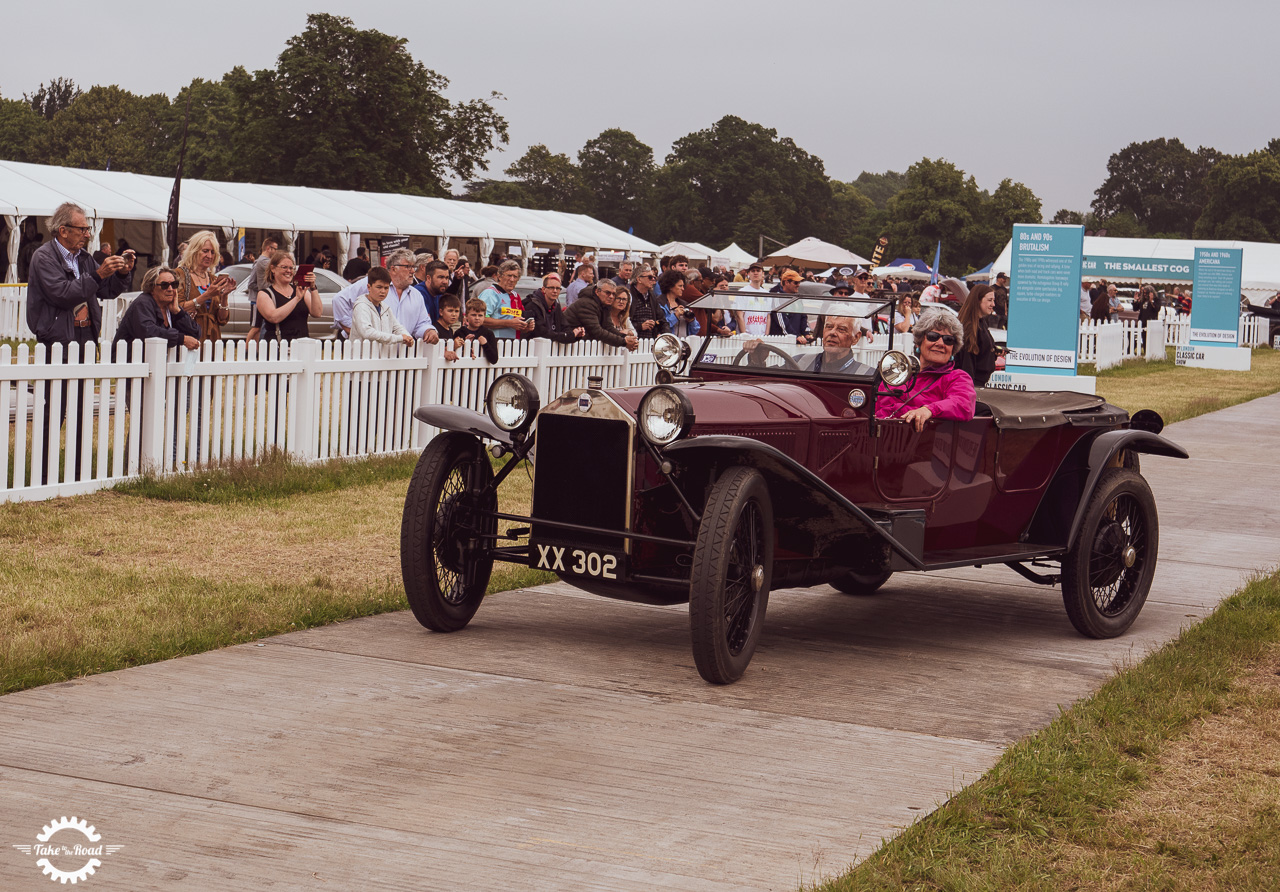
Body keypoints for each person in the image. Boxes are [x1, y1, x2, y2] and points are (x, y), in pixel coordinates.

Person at [25, 202, 128, 482]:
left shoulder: (83, 257)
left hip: (84, 336)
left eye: (87, 228)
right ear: (63, 230)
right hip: (57, 340)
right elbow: (61, 294)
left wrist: (121, 272)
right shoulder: (43, 257)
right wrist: (98, 274)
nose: (88, 234)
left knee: (83, 409)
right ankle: (43, 475)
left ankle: (78, 472)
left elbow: (105, 291)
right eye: (83, 229)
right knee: (53, 409)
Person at [876, 310, 976, 431]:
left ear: (953, 348)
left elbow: (963, 404)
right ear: (919, 342)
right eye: (932, 337)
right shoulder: (898, 372)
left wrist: (928, 410)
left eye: (948, 340)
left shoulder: (957, 377)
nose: (940, 343)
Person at [112, 265, 200, 361]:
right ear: (151, 287)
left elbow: (195, 333)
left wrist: (178, 312)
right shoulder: (142, 303)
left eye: (174, 284)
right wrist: (181, 339)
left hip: (159, 365)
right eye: (164, 285)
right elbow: (148, 332)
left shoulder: (171, 306)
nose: (170, 289)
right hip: (133, 365)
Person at [174, 230, 235, 343]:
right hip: (190, 335)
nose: (209, 256)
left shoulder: (213, 279)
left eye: (212, 252)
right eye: (205, 251)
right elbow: (177, 308)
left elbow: (222, 320)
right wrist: (207, 295)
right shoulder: (180, 274)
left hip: (213, 337)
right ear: (194, 251)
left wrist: (224, 297)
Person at [256, 251, 323, 342]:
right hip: (277, 348)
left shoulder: (300, 290)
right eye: (284, 267)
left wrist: (313, 288)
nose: (289, 271)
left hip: (301, 346)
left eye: (291, 268)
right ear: (273, 269)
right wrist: (296, 299)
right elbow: (274, 317)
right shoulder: (265, 294)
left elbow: (317, 313)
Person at [566, 280, 639, 349]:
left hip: (581, 345)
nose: (611, 296)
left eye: (613, 294)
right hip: (568, 345)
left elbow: (608, 327)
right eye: (608, 293)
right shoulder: (587, 304)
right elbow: (597, 331)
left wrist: (624, 337)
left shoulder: (605, 305)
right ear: (597, 292)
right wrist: (624, 342)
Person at [351, 266, 413, 346]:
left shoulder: (385, 307)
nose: (383, 291)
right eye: (379, 287)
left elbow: (396, 327)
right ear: (369, 287)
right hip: (361, 356)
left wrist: (407, 336)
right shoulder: (361, 306)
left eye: (386, 288)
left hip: (382, 356)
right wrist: (399, 338)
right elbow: (367, 332)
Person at [955, 284, 998, 387]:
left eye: (993, 300)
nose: (993, 304)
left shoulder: (981, 323)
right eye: (990, 300)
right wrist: (969, 388)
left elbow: (981, 349)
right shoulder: (969, 327)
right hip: (971, 385)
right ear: (978, 300)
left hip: (979, 384)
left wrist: (994, 352)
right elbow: (967, 362)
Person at [479, 259, 535, 338]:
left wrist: (526, 327)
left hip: (513, 343)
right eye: (509, 275)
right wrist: (508, 323)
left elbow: (517, 323)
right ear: (499, 276)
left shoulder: (516, 296)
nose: (512, 279)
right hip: (493, 342)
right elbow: (481, 319)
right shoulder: (490, 294)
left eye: (515, 276)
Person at [523, 272, 585, 343]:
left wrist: (575, 334)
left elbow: (565, 327)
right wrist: (568, 335)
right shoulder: (532, 305)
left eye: (558, 288)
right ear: (544, 289)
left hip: (552, 350)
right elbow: (542, 333)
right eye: (551, 288)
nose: (555, 291)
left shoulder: (556, 306)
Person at [245, 236, 280, 342]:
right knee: (256, 327)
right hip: (256, 300)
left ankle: (255, 350)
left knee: (259, 327)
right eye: (275, 248)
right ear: (268, 248)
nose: (276, 251)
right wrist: (263, 290)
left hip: (261, 299)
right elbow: (251, 283)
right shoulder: (260, 262)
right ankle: (247, 349)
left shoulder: (263, 261)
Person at [768, 270, 813, 343]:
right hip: (781, 341)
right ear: (786, 283)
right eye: (796, 282)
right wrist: (795, 336)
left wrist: (806, 333)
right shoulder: (777, 297)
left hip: (796, 340)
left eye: (799, 282)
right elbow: (781, 321)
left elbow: (803, 317)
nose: (798, 285)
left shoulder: (798, 298)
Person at [627, 264, 670, 338]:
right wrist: (640, 326)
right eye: (650, 277)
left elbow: (662, 320)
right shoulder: (628, 295)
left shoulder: (652, 296)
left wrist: (664, 335)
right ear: (639, 279)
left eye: (654, 277)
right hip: (632, 341)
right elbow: (621, 322)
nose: (653, 280)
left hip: (650, 342)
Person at [455, 297, 499, 363]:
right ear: (467, 316)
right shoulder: (459, 333)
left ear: (484, 317)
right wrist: (466, 345)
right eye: (473, 315)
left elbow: (494, 360)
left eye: (480, 315)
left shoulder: (488, 334)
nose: (477, 318)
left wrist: (485, 344)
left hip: (482, 371)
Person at [658, 269, 701, 337]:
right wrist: (675, 316)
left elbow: (695, 330)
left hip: (684, 343)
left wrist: (691, 320)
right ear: (670, 286)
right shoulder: (659, 304)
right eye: (680, 286)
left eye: (683, 286)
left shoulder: (684, 304)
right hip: (668, 344)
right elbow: (660, 327)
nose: (683, 289)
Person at [413, 259, 451, 329]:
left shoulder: (438, 293)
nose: (445, 282)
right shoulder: (418, 293)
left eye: (447, 278)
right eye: (441, 277)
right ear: (428, 278)